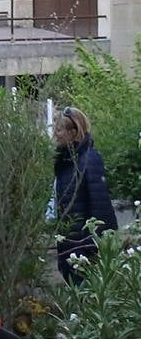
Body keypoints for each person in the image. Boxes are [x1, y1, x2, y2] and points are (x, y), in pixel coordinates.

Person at [52, 105, 118, 282]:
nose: (55, 134)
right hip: (70, 245)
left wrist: (94, 245)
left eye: (59, 130)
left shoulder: (89, 159)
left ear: (73, 132)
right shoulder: (66, 161)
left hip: (83, 247)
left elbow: (100, 204)